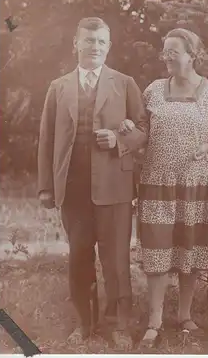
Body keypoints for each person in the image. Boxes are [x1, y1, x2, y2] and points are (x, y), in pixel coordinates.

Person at [37, 17, 148, 349]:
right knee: (79, 257)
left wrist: (118, 139)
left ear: (109, 46)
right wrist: (46, 186)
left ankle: (118, 326)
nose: (94, 47)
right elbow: (46, 139)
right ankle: (84, 323)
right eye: (88, 41)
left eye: (101, 42)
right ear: (76, 44)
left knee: (115, 260)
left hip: (114, 188)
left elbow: (143, 131)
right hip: (73, 190)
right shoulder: (58, 87)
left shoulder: (125, 83)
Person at [121, 28, 208, 348]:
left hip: (199, 183)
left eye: (173, 51)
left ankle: (185, 315)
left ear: (192, 55)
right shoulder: (152, 90)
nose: (166, 57)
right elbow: (141, 132)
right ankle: (154, 321)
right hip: (157, 182)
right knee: (157, 250)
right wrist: (127, 131)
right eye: (164, 51)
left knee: (190, 250)